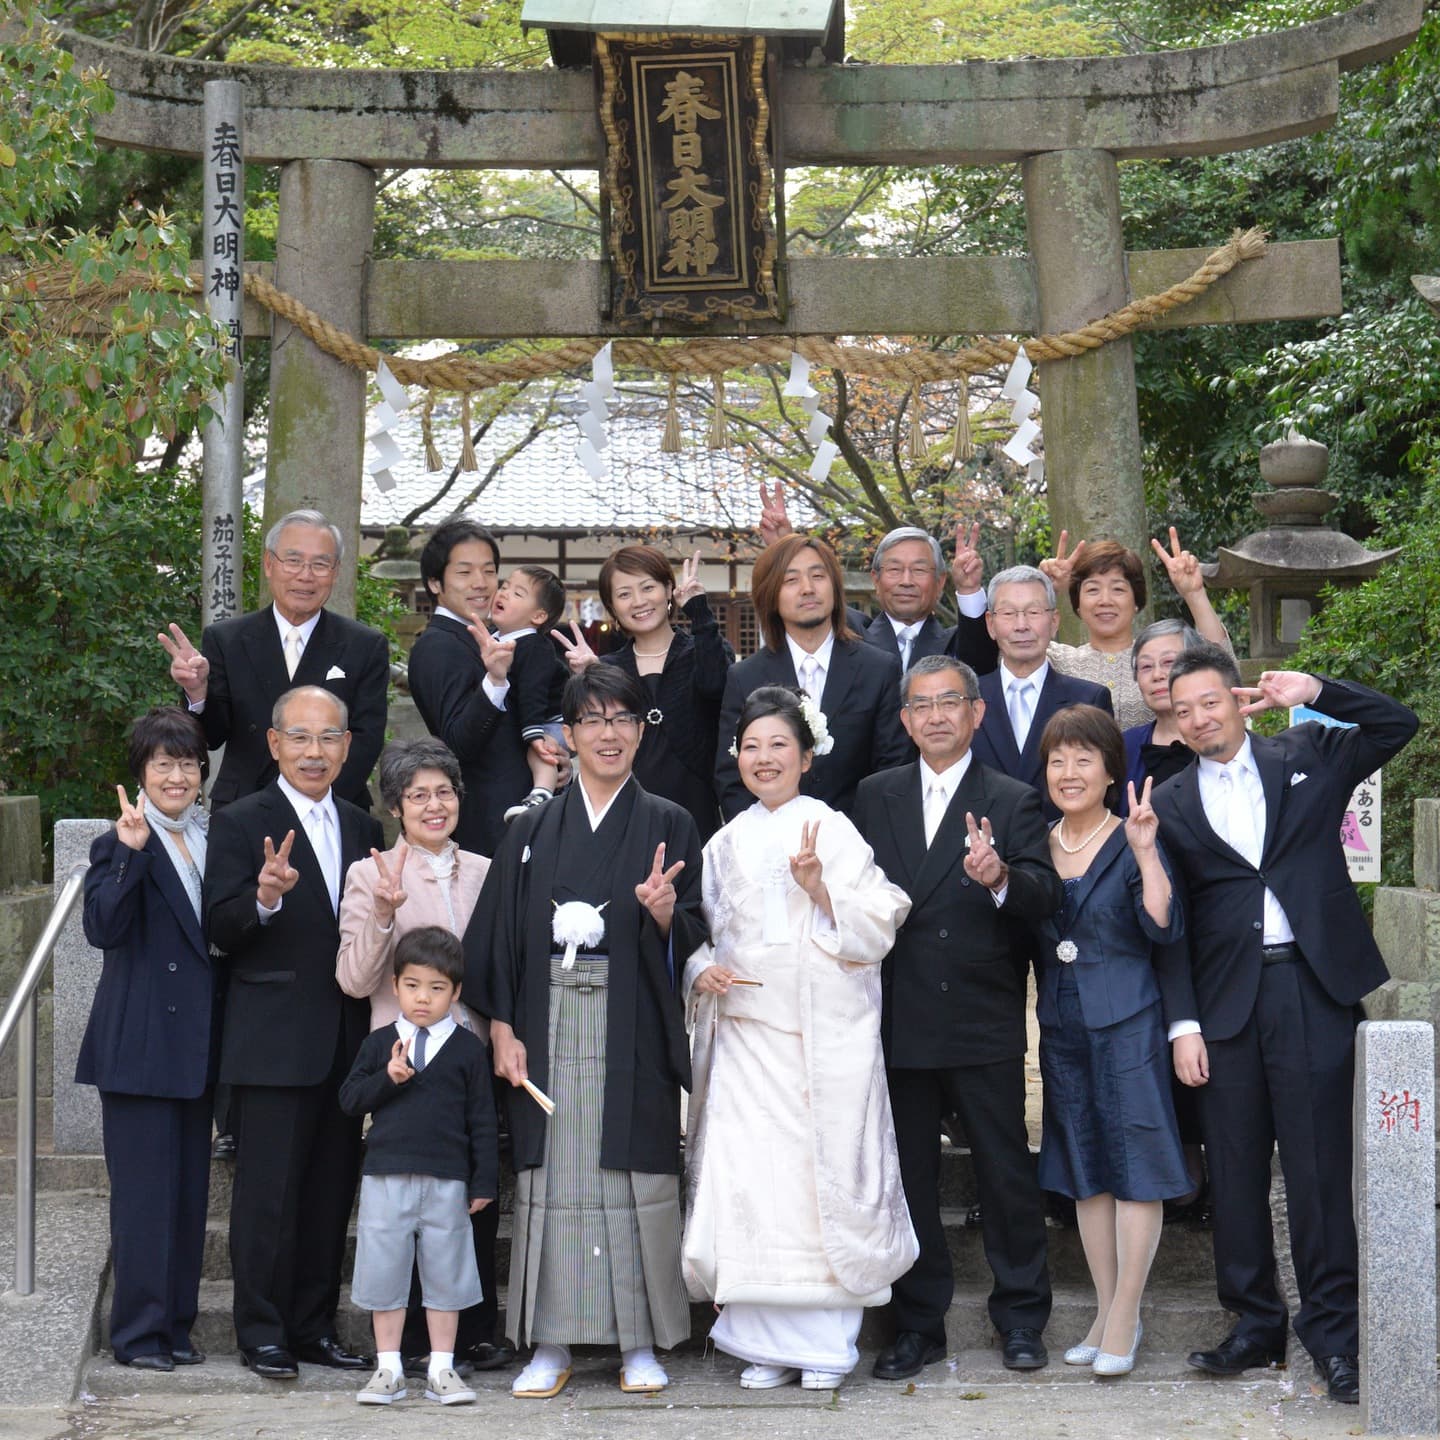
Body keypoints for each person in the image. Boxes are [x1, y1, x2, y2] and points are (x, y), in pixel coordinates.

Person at [1154, 645, 1418, 1405]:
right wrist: (1183, 1024)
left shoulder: (1307, 752)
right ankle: (1254, 1323)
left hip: (1311, 985)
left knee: (1318, 1169)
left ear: (1239, 701)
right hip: (1224, 1003)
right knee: (1235, 1171)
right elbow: (1172, 926)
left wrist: (1316, 689)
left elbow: (1396, 725)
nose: (1199, 719)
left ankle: (1335, 1336)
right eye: (1184, 709)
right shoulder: (1168, 801)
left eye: (1211, 702)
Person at [463, 664, 708, 1398]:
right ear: (567, 735)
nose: (609, 733)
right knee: (555, 1181)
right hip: (545, 1024)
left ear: (641, 730)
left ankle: (640, 1342)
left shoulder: (669, 820)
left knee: (632, 1181)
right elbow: (497, 937)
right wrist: (502, 1027)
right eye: (593, 720)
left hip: (633, 1023)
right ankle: (550, 1340)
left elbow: (697, 928)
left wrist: (664, 916)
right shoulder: (531, 827)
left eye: (622, 718)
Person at [682, 685, 914, 1391]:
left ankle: (825, 1346)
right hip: (746, 1037)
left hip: (817, 1037)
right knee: (754, 1186)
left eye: (779, 744)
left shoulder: (832, 829)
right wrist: (702, 969)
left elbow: (883, 914)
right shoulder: (722, 842)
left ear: (807, 757)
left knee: (818, 1189)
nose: (764, 758)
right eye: (751, 746)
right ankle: (763, 1343)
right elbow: (705, 933)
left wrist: (819, 890)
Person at [853, 656, 1061, 1379]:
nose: (936, 716)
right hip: (899, 1011)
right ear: (905, 721)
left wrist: (999, 877)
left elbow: (1045, 895)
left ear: (977, 713)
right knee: (909, 1175)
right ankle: (918, 1324)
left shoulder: (1011, 797)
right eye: (922, 705)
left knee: (1004, 1172)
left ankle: (1022, 1316)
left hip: (980, 1010)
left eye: (950, 702)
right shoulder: (873, 794)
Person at [204, 685, 384, 1380]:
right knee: (267, 1199)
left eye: (329, 737)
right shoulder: (240, 821)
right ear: (275, 743)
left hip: (345, 1039)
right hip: (272, 1038)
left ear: (347, 746)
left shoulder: (363, 826)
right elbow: (219, 928)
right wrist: (263, 899)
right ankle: (262, 1332)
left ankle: (313, 1328)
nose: (315, 751)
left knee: (329, 1195)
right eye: (301, 737)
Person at [336, 737, 512, 1374]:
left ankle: (474, 1333)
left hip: (472, 1052)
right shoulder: (370, 874)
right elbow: (354, 979)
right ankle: (408, 1341)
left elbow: (503, 964)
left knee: (470, 1198)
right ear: (395, 807)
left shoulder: (488, 870)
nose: (434, 806)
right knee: (408, 1205)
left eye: (444, 792)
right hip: (404, 1061)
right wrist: (385, 915)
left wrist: (503, 1031)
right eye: (417, 796)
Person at [1034, 705, 1190, 1378]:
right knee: (1085, 1170)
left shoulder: (1133, 836)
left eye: (1083, 760)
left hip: (1128, 1020)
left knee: (1135, 1167)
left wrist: (1148, 853)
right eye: (1057, 761)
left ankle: (1126, 1314)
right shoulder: (1036, 842)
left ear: (1109, 772)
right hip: (1061, 1024)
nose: (1068, 773)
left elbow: (1163, 924)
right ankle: (1103, 1311)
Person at [78, 707, 216, 1371]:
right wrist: (131, 855)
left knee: (187, 1199)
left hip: (196, 1044)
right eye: (163, 763)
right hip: (139, 1045)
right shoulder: (119, 842)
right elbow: (101, 929)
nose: (176, 776)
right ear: (141, 771)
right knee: (144, 1202)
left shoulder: (210, 837)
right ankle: (137, 1335)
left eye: (187, 763)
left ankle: (176, 1328)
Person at [339, 927, 498, 1408]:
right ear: (395, 986)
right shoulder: (379, 1044)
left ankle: (441, 1367)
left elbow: (482, 1121)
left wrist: (484, 1180)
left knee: (446, 1273)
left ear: (456, 992)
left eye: (436, 987)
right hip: (386, 1175)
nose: (423, 997)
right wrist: (387, 1079)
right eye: (412, 985)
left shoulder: (468, 1049)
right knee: (384, 1270)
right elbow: (349, 1100)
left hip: (448, 1179)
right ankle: (388, 1368)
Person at [160, 508, 389, 810]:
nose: (305, 575)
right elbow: (211, 737)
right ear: (269, 564)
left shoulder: (365, 645)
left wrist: (315, 802)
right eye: (293, 561)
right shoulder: (227, 639)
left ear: (335, 572)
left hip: (332, 807)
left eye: (320, 564)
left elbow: (365, 740)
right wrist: (197, 692)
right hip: (243, 808)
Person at [714, 533, 910, 820]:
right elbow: (731, 778)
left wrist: (847, 838)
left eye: (818, 576)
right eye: (791, 580)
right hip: (771, 839)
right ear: (770, 595)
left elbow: (893, 768)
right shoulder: (745, 677)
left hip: (859, 837)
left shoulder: (879, 669)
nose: (807, 589)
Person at [555, 545, 734, 842]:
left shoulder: (704, 650)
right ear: (612, 607)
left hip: (697, 816)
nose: (638, 601)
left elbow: (715, 685)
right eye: (624, 594)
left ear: (668, 590)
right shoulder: (608, 667)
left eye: (648, 587)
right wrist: (593, 679)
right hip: (625, 819)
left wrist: (699, 612)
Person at [756, 483, 998, 678]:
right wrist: (784, 547)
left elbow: (981, 662)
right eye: (894, 569)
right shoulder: (848, 633)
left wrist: (968, 588)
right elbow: (810, 602)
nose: (906, 581)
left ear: (940, 581)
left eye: (919, 570)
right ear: (876, 579)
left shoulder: (955, 643)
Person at [406, 519, 530, 856]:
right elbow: (458, 742)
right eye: (464, 572)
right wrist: (495, 681)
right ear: (435, 582)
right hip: (487, 826)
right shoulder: (438, 646)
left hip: (513, 817)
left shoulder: (485, 638)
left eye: (489, 571)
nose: (481, 583)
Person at [1039, 528, 1229, 728]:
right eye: (1093, 589)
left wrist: (1194, 594)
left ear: (1136, 601)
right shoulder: (1056, 661)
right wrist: (1044, 590)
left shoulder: (1166, 657)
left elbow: (1222, 667)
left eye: (1118, 589)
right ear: (1077, 603)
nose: (1105, 600)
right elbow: (1018, 644)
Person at [968, 566, 1112, 818]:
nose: (1021, 625)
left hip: (1064, 837)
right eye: (1008, 613)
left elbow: (1104, 789)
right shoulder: (966, 700)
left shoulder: (1089, 699)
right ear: (990, 624)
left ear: (1054, 621)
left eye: (1033, 612)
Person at [489, 564, 571, 821]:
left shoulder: (535, 647)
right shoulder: (495, 638)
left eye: (517, 593)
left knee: (541, 751)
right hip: (532, 717)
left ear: (538, 616)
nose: (504, 593)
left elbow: (532, 693)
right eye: (504, 586)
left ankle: (541, 794)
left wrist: (533, 733)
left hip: (552, 720)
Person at [1122, 619, 1204, 804]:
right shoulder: (1126, 746)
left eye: (1169, 662)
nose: (1157, 675)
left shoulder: (1221, 741)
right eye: (1146, 667)